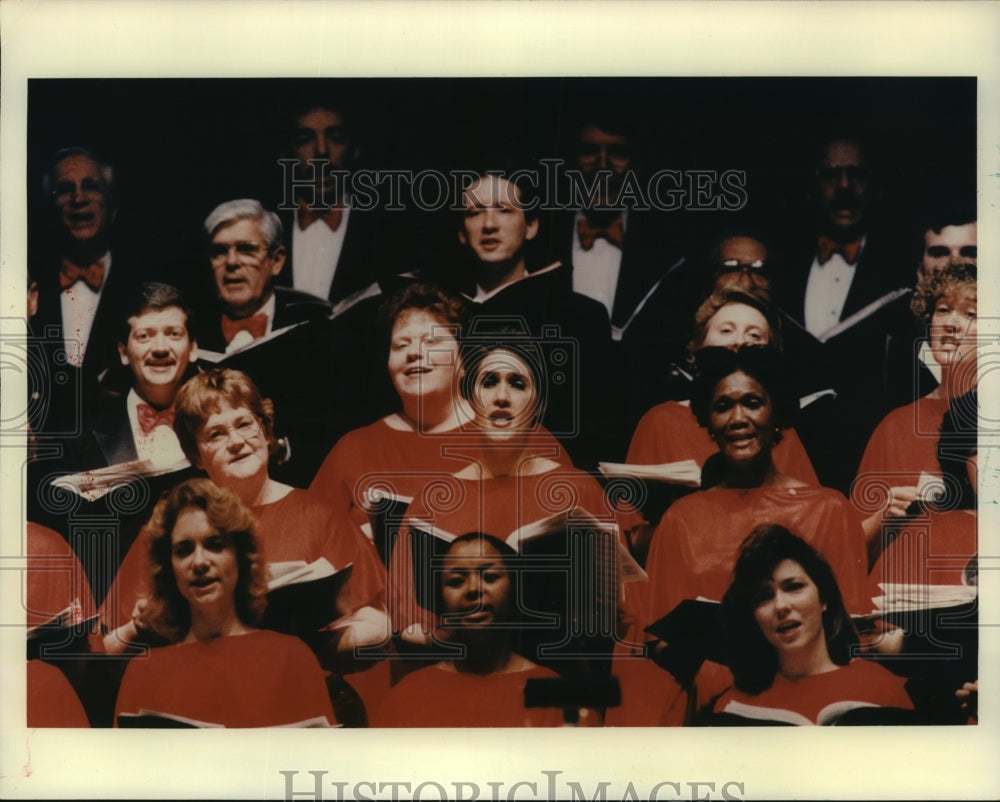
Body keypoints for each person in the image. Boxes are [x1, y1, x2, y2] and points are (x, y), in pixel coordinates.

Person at [101, 368, 386, 658]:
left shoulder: (320, 516)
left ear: (265, 431)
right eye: (216, 434)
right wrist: (137, 629)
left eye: (244, 424)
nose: (236, 441)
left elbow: (378, 622)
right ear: (196, 455)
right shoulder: (172, 528)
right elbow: (103, 648)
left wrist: (310, 647)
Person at [388, 339, 615, 672]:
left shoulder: (580, 490)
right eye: (489, 382)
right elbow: (406, 616)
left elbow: (618, 609)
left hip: (554, 684)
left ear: (537, 403)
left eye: (518, 384)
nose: (502, 397)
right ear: (470, 399)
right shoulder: (432, 501)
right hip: (462, 683)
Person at [113, 479, 336, 727]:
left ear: (240, 557)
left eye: (215, 545)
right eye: (184, 550)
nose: (199, 562)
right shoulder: (144, 673)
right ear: (169, 568)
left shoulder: (292, 658)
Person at [453, 170, 614, 468]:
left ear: (531, 225)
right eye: (475, 212)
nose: (489, 225)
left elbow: (601, 430)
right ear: (462, 232)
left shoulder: (582, 317)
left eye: (504, 210)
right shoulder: (443, 315)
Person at [710, 525, 913, 725]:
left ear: (824, 598)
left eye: (794, 587)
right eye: (764, 597)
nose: (780, 606)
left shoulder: (882, 689)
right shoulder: (732, 705)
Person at [375, 533, 564, 727]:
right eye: (456, 581)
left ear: (515, 589)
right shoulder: (406, 697)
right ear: (441, 599)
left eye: (490, 577)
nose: (473, 588)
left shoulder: (555, 697)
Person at [855, 262, 977, 558]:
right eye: (943, 309)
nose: (952, 323)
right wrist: (885, 518)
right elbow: (852, 556)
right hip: (901, 595)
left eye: (971, 313)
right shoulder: (896, 426)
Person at [31, 147, 138, 431]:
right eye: (65, 190)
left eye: (91, 187)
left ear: (112, 208)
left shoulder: (141, 287)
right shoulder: (26, 286)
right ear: (49, 210)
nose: (79, 199)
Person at [275, 96, 397, 304]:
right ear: (286, 154)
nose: (321, 151)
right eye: (305, 139)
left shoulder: (388, 230)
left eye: (336, 138)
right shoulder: (267, 227)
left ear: (355, 149)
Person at [72, 282, 198, 468]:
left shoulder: (216, 422)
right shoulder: (84, 436)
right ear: (123, 353)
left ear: (193, 348)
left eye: (174, 334)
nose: (160, 348)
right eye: (144, 336)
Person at [197, 199, 332, 354]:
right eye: (220, 251)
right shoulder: (190, 330)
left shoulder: (313, 328)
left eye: (246, 249)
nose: (231, 262)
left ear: (276, 261)